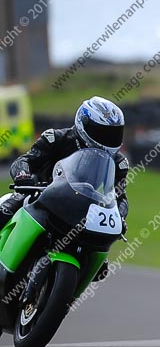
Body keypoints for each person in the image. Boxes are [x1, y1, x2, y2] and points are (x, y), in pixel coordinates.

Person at [0, 97, 129, 280]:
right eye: (101, 132)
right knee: (5, 209)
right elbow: (25, 160)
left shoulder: (119, 163)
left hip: (83, 210)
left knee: (99, 266)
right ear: (83, 123)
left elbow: (120, 197)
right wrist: (23, 176)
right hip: (38, 193)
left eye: (113, 133)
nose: (107, 138)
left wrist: (120, 216)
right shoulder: (56, 138)